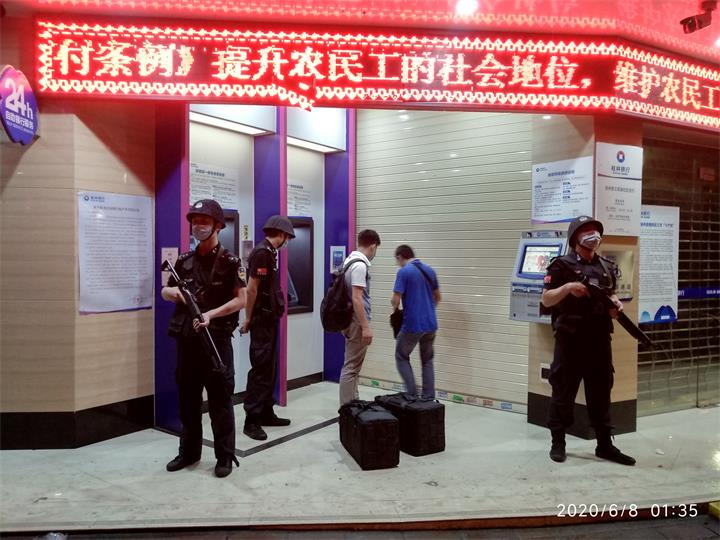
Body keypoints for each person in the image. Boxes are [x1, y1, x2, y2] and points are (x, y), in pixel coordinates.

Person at [541, 215, 636, 466]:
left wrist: (615, 304)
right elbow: (546, 299)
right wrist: (567, 288)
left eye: (596, 230)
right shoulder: (560, 266)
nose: (593, 235)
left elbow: (611, 296)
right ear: (575, 238)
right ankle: (558, 442)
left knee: (601, 392)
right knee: (563, 391)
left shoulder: (606, 266)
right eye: (587, 231)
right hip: (570, 340)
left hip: (599, 340)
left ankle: (604, 445)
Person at [162, 199, 246, 478]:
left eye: (205, 221)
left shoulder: (231, 261)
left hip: (216, 342)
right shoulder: (184, 260)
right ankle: (189, 452)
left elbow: (241, 300)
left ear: (218, 225)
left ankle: (225, 456)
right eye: (195, 221)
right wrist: (177, 294)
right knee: (187, 400)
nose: (199, 226)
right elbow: (165, 290)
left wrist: (211, 314)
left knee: (220, 402)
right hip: (187, 342)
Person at [240, 215, 295, 441]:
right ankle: (251, 420)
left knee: (270, 368)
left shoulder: (270, 253)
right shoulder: (261, 253)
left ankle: (265, 412)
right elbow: (251, 289)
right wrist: (247, 318)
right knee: (260, 369)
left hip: (269, 319)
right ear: (281, 234)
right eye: (287, 237)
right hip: (261, 321)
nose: (287, 242)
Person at [390, 245, 441, 399]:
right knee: (427, 360)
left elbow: (395, 300)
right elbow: (438, 297)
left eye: (396, 260)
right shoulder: (429, 270)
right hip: (431, 324)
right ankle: (428, 397)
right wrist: (427, 310)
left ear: (400, 257)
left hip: (413, 324)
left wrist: (396, 310)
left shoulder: (404, 272)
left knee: (401, 356)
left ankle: (412, 395)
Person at [339, 229, 381, 405]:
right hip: (356, 322)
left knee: (353, 364)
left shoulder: (349, 260)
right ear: (373, 246)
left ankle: (353, 401)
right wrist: (365, 327)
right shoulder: (360, 266)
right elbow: (357, 298)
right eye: (376, 249)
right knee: (351, 366)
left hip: (349, 319)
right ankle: (347, 407)